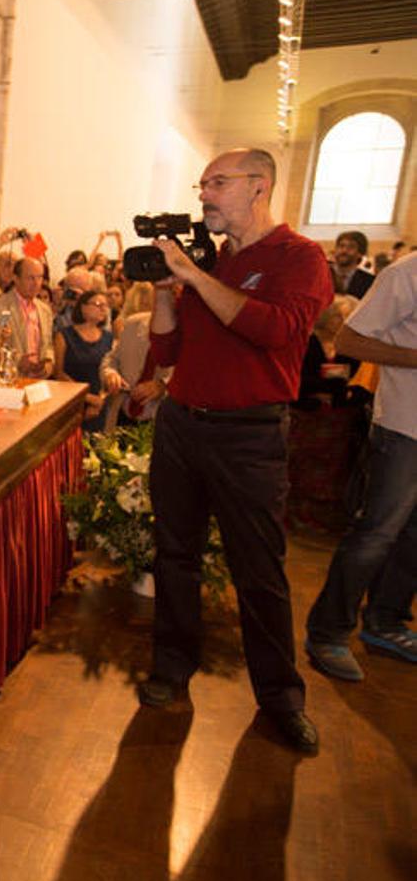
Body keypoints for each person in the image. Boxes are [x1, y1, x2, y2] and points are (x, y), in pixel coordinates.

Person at [139, 148, 333, 754]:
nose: (204, 195)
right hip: (181, 427)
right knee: (176, 555)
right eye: (202, 185)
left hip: (248, 437)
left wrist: (197, 278)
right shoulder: (211, 262)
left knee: (259, 571)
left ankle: (281, 699)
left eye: (217, 183)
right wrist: (167, 291)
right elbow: (169, 355)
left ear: (259, 186)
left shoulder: (299, 258)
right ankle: (171, 666)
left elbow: (275, 331)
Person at [305, 253, 417, 680]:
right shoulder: (406, 274)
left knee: (414, 539)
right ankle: (328, 632)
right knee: (376, 534)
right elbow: (350, 341)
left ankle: (386, 622)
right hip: (405, 427)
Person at [99, 281, 172, 431]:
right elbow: (111, 359)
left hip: (162, 421)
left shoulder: (189, 331)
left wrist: (163, 385)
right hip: (123, 416)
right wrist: (110, 374)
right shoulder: (133, 323)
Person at [54, 289, 115, 430]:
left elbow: (112, 370)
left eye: (105, 306)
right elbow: (59, 373)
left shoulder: (109, 338)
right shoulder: (64, 335)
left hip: (100, 404)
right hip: (73, 402)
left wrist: (100, 400)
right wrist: (87, 397)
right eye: (97, 304)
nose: (102, 309)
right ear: (82, 307)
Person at [0, 256, 54, 378]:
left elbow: (49, 344)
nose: (36, 283)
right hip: (11, 377)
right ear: (16, 278)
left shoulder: (45, 310)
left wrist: (48, 363)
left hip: (39, 380)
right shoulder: (0, 308)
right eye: (30, 278)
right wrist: (17, 360)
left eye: (39, 277)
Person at [331, 230, 374, 298]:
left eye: (351, 247)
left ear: (360, 253)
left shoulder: (369, 281)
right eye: (341, 246)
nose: (344, 250)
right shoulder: (320, 276)